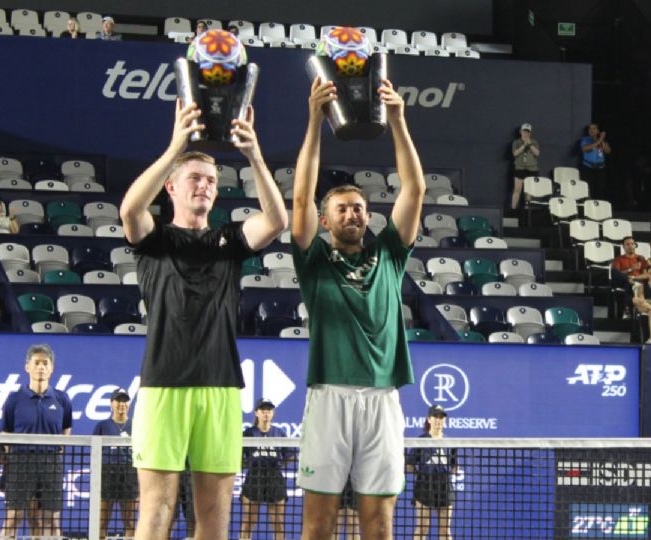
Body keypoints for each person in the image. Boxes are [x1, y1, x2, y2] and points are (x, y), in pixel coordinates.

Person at [120, 94, 287, 539]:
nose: (205, 186)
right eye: (194, 177)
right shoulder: (155, 241)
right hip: (163, 385)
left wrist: (254, 155)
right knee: (157, 511)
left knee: (213, 518)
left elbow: (276, 221)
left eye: (211, 180)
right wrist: (176, 148)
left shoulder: (229, 242)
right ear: (171, 188)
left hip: (221, 387)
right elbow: (130, 210)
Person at [291, 76, 425, 540]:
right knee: (318, 525)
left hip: (383, 400)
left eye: (358, 208)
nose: (351, 214)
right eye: (342, 209)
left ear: (369, 216)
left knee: (379, 524)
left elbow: (414, 189)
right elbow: (300, 196)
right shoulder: (313, 260)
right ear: (325, 220)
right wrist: (314, 121)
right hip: (329, 396)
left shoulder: (390, 253)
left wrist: (398, 120)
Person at [0, 344, 73, 539]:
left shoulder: (62, 399)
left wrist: (57, 451)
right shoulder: (14, 399)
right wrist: (14, 459)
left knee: (52, 521)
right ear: (27, 367)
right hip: (20, 463)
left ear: (52, 368)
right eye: (37, 363)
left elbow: (66, 428)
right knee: (13, 517)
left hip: (51, 464)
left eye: (45, 363)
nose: (41, 367)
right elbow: (5, 433)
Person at [240, 398, 289, 540]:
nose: (266, 413)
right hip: (254, 478)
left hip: (275, 479)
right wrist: (250, 465)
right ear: (256, 413)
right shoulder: (248, 433)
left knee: (278, 523)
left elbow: (289, 456)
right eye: (263, 410)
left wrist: (276, 466)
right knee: (248, 521)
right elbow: (239, 456)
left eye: (269, 410)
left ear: (273, 413)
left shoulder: (279, 433)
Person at [92, 388, 137, 539]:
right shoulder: (102, 426)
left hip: (129, 473)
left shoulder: (137, 426)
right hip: (107, 473)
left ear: (129, 404)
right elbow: (94, 454)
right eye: (118, 400)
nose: (122, 404)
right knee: (102, 521)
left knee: (129, 521)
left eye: (125, 401)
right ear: (111, 403)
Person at [409, 405, 457, 540]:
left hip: (445, 488)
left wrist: (447, 476)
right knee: (422, 528)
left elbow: (454, 465)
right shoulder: (421, 441)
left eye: (441, 417)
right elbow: (409, 464)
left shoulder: (451, 442)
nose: (438, 420)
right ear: (429, 419)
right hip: (424, 487)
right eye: (435, 417)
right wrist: (421, 476)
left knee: (445, 530)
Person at [611, 236, 650, 315]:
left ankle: (627, 309)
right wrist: (630, 269)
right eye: (627, 244)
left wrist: (634, 278)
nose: (630, 246)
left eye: (632, 244)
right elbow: (616, 274)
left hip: (638, 281)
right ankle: (629, 309)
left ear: (635, 245)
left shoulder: (641, 259)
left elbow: (646, 275)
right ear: (623, 247)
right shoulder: (619, 259)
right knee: (624, 279)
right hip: (623, 281)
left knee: (631, 282)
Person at [510, 123, 539, 213]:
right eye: (524, 131)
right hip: (520, 168)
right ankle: (513, 211)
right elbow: (515, 153)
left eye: (528, 132)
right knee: (517, 189)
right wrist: (523, 145)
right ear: (520, 132)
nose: (526, 133)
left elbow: (537, 153)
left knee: (528, 191)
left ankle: (527, 212)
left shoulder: (534, 142)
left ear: (530, 133)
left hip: (532, 169)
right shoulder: (516, 142)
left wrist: (530, 144)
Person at [579, 123, 611, 200]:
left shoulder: (602, 141)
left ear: (598, 131)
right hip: (588, 168)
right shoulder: (585, 139)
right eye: (590, 129)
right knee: (589, 190)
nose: (592, 130)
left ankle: (599, 205)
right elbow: (585, 149)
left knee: (600, 190)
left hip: (600, 168)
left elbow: (608, 151)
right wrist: (599, 140)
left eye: (594, 128)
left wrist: (601, 140)